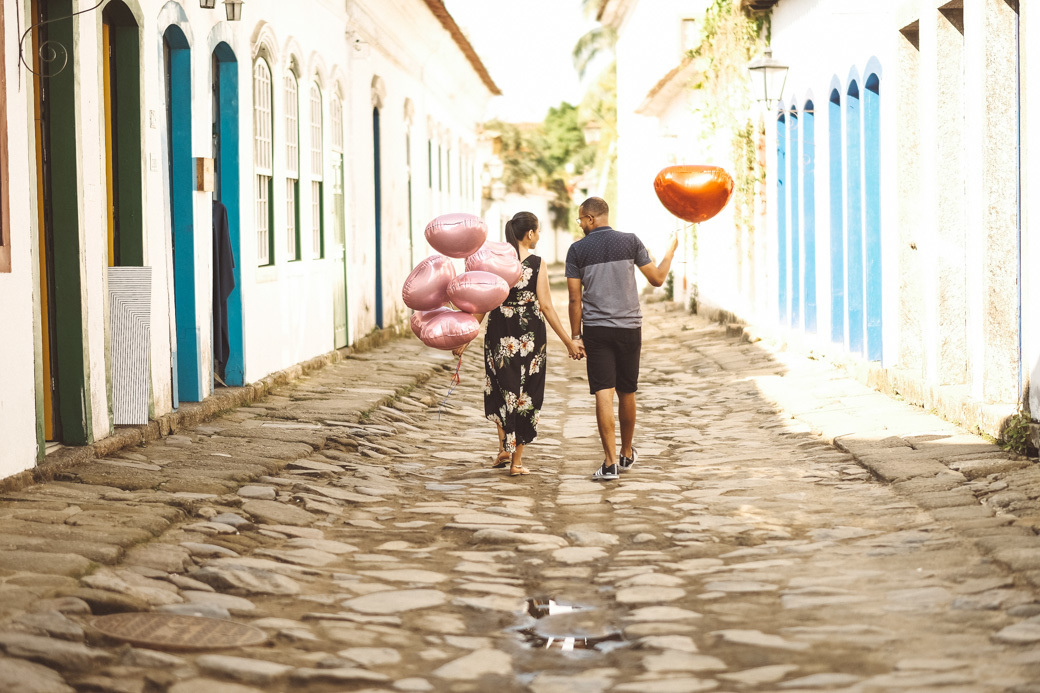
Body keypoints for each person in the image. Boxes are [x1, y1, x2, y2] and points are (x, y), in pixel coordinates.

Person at [454, 212, 582, 476]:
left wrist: (466, 337)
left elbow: (484, 303)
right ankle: (516, 462)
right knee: (526, 394)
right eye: (538, 231)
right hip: (530, 336)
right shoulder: (536, 264)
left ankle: (504, 446)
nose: (539, 235)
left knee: (501, 386)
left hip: (499, 330)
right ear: (530, 234)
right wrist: (568, 341)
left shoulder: (494, 263)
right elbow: (546, 306)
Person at [566, 197, 677, 481]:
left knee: (603, 393)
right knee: (627, 392)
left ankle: (610, 463)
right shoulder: (630, 241)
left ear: (591, 219)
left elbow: (574, 298)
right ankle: (627, 453)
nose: (580, 224)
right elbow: (657, 279)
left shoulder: (577, 250)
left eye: (581, 219)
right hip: (629, 328)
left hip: (597, 330)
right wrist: (670, 252)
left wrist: (575, 336)